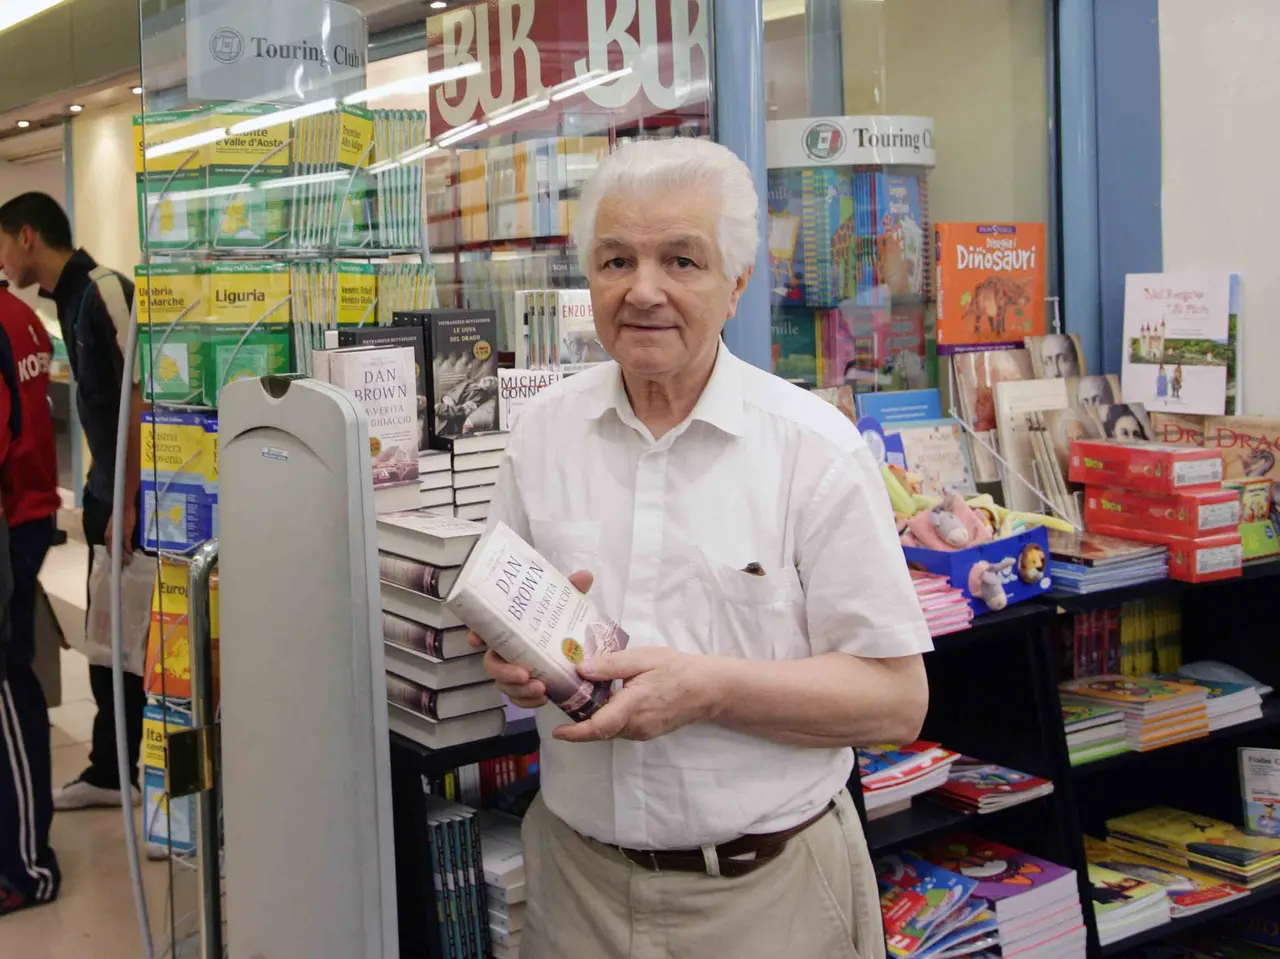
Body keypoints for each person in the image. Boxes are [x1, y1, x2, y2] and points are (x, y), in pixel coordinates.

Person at [471, 139, 931, 959]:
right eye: (617, 260)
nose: (643, 290)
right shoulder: (541, 436)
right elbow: (508, 625)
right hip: (575, 890)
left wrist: (707, 690)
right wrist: (510, 658)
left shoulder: (815, 451)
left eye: (680, 260)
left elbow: (895, 701)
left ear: (737, 284)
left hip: (768, 900)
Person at [0, 193, 144, 810]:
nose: (2, 259)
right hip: (104, 494)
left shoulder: (104, 288)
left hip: (134, 500)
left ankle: (151, 779)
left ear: (27, 236)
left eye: (4, 242)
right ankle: (110, 771)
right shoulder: (63, 303)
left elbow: (140, 394)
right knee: (104, 638)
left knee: (139, 643)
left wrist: (131, 499)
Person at [0, 278, 61, 915]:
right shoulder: (24, 315)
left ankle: (26, 865)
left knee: (10, 679)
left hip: (14, 517)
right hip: (30, 508)